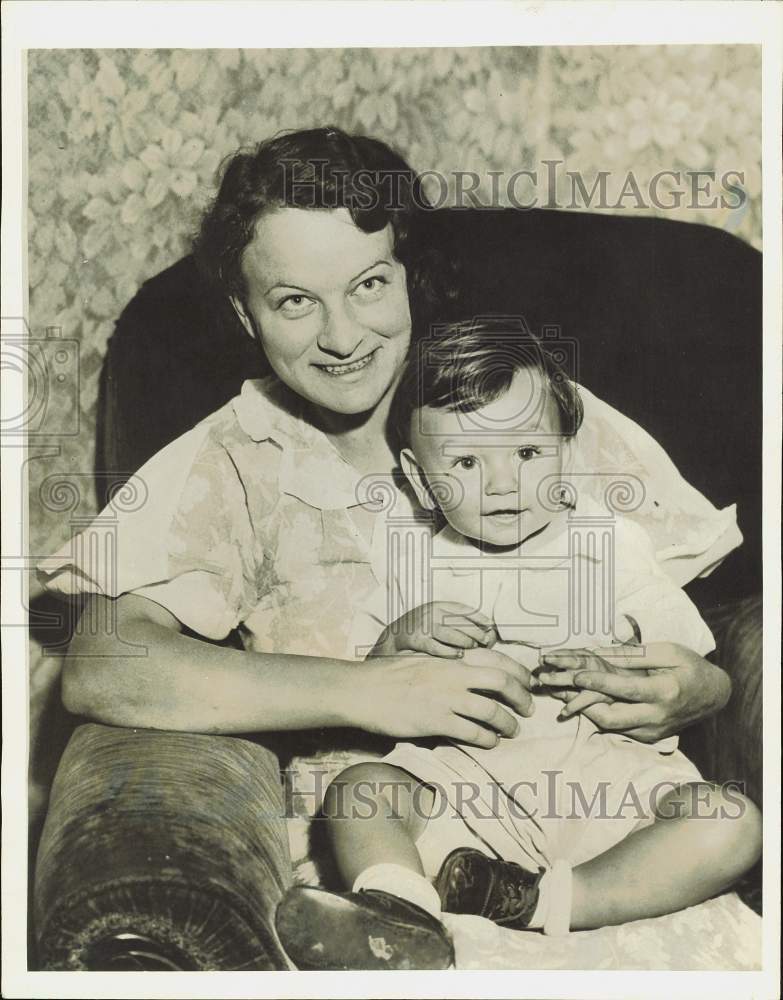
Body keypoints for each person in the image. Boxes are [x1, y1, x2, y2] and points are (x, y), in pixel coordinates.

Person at [37, 126, 739, 946]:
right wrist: (369, 690)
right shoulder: (234, 458)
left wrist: (701, 689)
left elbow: (690, 611)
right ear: (244, 310)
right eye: (295, 300)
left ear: (410, 273)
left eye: (368, 284)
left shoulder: (513, 398)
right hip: (413, 844)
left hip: (611, 849)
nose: (341, 337)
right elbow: (102, 666)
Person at [274, 321, 761, 971]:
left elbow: (685, 657)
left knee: (728, 822)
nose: (501, 484)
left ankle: (546, 901)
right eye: (467, 463)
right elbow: (366, 684)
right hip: (465, 789)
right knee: (361, 790)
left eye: (527, 454)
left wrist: (623, 652)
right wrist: (401, 638)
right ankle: (396, 910)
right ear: (420, 481)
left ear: (565, 454)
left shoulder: (608, 543)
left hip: (612, 786)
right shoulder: (413, 562)